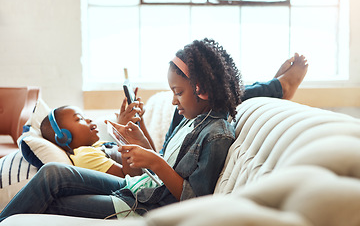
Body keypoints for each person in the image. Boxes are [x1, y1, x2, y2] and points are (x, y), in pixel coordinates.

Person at [0, 38, 308, 221]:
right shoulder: (189, 118)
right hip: (139, 189)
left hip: (142, 205)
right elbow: (164, 159)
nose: (174, 100)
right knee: (54, 173)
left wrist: (154, 162)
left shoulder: (216, 135)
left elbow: (193, 200)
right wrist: (141, 143)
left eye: (178, 92)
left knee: (50, 202)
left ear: (201, 89)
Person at [40, 106, 127, 177]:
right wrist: (122, 135)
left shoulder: (97, 145)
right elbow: (130, 178)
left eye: (85, 116)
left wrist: (139, 121)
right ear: (64, 137)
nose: (89, 119)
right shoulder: (85, 156)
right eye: (79, 118)